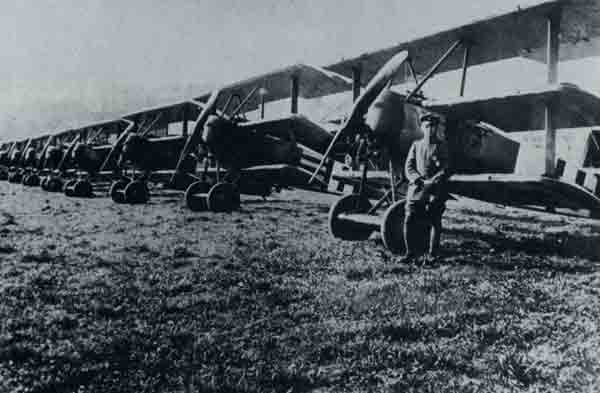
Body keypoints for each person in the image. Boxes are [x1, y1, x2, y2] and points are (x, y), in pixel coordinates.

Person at [400, 112, 452, 264]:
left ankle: (433, 254)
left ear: (437, 129)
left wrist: (434, 180)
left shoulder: (442, 146)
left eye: (433, 127)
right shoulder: (416, 145)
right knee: (409, 219)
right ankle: (410, 253)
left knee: (434, 220)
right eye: (427, 126)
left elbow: (446, 167)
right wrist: (417, 179)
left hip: (436, 190)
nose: (430, 129)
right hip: (416, 189)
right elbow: (409, 167)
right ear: (423, 128)